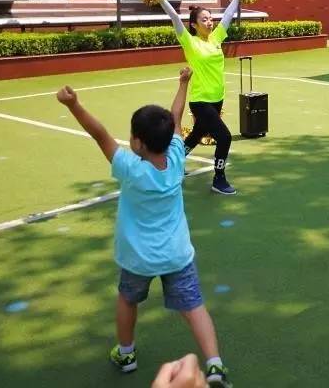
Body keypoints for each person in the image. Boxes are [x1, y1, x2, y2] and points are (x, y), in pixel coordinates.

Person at [56, 70, 232, 387]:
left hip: (138, 258)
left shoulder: (129, 168)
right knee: (194, 307)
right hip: (177, 254)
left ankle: (126, 354)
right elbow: (177, 116)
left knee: (127, 300)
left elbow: (100, 135)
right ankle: (215, 364)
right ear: (169, 138)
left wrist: (74, 105)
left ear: (137, 142)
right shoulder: (177, 156)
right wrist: (183, 83)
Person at [160, 0, 242, 195]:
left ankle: (174, 162)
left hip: (217, 98)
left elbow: (229, 14)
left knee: (197, 134)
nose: (209, 22)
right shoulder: (190, 42)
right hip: (200, 101)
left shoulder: (216, 38)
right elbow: (175, 18)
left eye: (210, 18)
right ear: (194, 25)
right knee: (224, 138)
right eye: (204, 19)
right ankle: (219, 178)